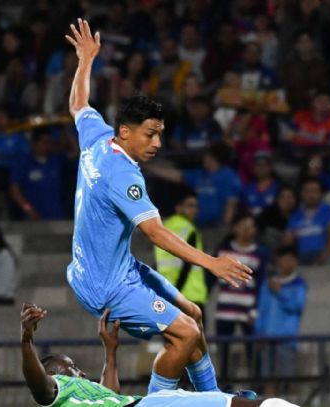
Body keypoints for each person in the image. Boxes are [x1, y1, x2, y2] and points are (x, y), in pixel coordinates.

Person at [64, 19, 251, 395]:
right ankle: (156, 405)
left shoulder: (98, 137)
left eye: (160, 134)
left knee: (194, 315)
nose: (157, 143)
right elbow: (155, 233)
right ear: (126, 132)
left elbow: (78, 103)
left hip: (109, 268)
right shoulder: (125, 177)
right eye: (150, 134)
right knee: (185, 333)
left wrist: (85, 61)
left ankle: (211, 398)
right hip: (106, 287)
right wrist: (212, 262)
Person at [20, 304, 299, 407]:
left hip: (144, 401)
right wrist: (27, 339)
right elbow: (38, 384)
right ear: (53, 375)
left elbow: (112, 394)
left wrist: (111, 350)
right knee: (244, 404)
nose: (78, 371)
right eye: (70, 368)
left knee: (190, 329)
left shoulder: (84, 396)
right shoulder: (54, 393)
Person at [214, 214, 270, 378]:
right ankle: (224, 385)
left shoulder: (260, 253)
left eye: (251, 226)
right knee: (223, 350)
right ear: (235, 228)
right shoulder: (223, 250)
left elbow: (261, 284)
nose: (247, 230)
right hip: (225, 308)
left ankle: (257, 386)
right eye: (243, 225)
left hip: (248, 309)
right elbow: (210, 279)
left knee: (252, 351)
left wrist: (255, 310)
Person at [254, 246, 308, 395]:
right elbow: (262, 309)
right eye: (283, 259)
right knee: (268, 379)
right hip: (267, 338)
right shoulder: (268, 284)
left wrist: (280, 292)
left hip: (286, 339)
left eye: (290, 259)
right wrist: (258, 333)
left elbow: (297, 306)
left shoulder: (299, 284)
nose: (286, 263)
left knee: (286, 378)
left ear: (296, 262)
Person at [148, 143, 242, 227]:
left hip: (215, 227)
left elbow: (231, 204)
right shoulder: (200, 174)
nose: (203, 158)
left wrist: (224, 226)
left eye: (206, 155)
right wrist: (146, 166)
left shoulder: (228, 176)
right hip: (196, 224)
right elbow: (175, 175)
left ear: (213, 158)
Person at [154, 189, 208, 314]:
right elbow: (187, 264)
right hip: (190, 295)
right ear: (178, 208)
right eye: (189, 206)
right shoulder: (189, 229)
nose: (194, 210)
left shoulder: (163, 228)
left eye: (196, 206)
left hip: (166, 293)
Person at [284, 178, 330, 265]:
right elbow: (288, 239)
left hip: (323, 252)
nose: (311, 195)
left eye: (314, 191)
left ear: (320, 194)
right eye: (307, 191)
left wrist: (326, 253)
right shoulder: (295, 214)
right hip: (301, 255)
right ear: (302, 194)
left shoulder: (329, 210)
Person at [9, 129, 63, 220]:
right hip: (32, 218)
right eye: (44, 142)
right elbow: (14, 191)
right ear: (34, 143)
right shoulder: (23, 163)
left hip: (56, 215)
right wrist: (28, 209)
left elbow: (75, 152)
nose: (48, 145)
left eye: (50, 142)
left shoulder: (55, 160)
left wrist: (66, 128)